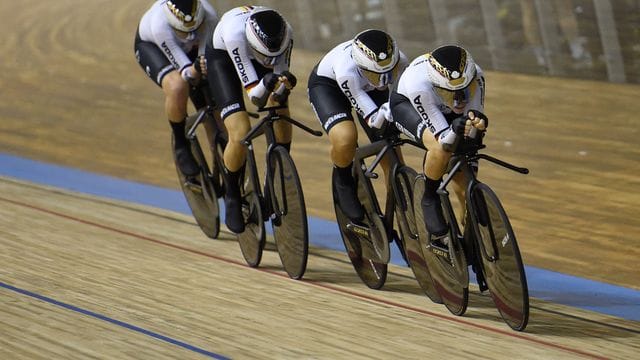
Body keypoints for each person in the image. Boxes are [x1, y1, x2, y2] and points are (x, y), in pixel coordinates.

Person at [205, 6, 297, 233]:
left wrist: (282, 86)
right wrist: (266, 84)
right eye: (267, 57)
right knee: (240, 130)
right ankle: (232, 193)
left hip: (260, 51)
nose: (269, 61)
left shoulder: (287, 33)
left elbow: (278, 79)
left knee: (281, 111)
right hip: (225, 60)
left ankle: (274, 176)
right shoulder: (236, 34)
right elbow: (255, 98)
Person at [386, 45, 488, 249]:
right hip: (408, 105)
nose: (460, 100)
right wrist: (456, 130)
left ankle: (472, 244)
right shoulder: (419, 85)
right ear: (437, 85)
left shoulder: (477, 76)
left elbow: (473, 124)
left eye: (465, 90)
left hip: (443, 107)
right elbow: (445, 140)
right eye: (450, 92)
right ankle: (429, 196)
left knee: (463, 176)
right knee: (440, 149)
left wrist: (477, 127)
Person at [307, 29, 407, 222]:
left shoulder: (400, 62)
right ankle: (343, 179)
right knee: (346, 139)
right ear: (362, 67)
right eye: (375, 73)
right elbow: (374, 121)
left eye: (388, 72)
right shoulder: (348, 70)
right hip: (329, 87)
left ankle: (401, 213)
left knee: (392, 153)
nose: (382, 80)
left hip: (368, 89)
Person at [134, 0, 218, 177]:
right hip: (154, 47)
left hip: (192, 52)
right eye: (184, 32)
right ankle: (181, 144)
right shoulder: (159, 25)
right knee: (178, 86)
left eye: (196, 29)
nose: (190, 36)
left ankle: (221, 163)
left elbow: (205, 57)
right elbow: (188, 73)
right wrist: (197, 70)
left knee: (214, 105)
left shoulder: (209, 16)